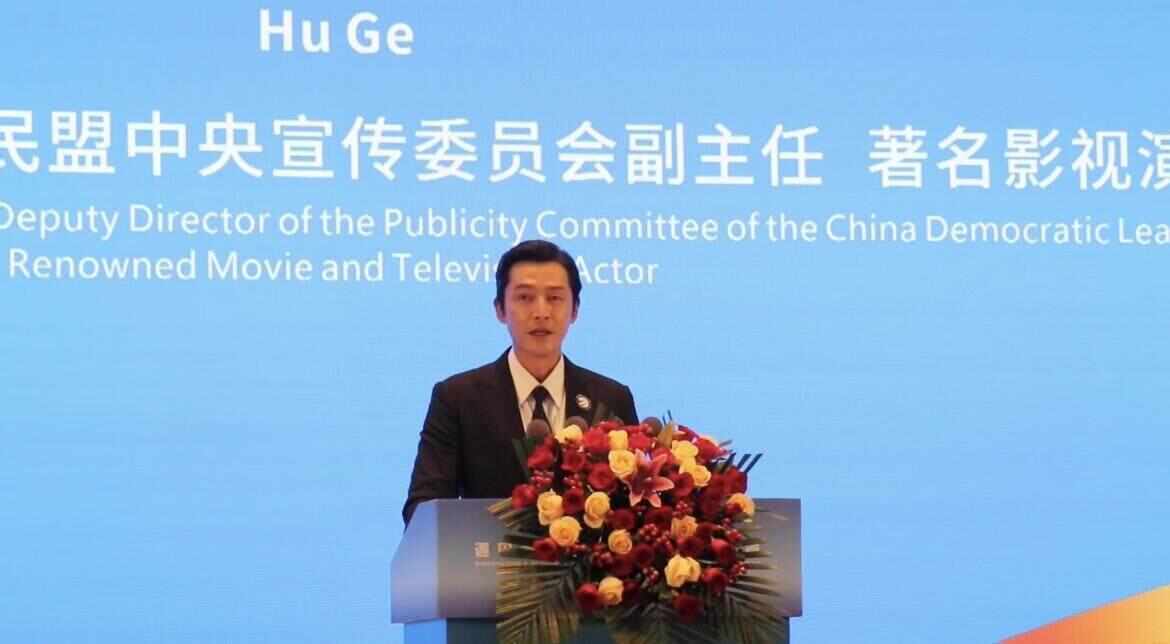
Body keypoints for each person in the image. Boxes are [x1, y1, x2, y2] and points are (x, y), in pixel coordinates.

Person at [402, 240, 638, 525]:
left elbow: (632, 506)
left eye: (555, 298)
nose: (541, 312)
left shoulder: (611, 398)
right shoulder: (457, 399)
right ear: (500, 309)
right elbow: (422, 509)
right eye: (525, 297)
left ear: (575, 310)